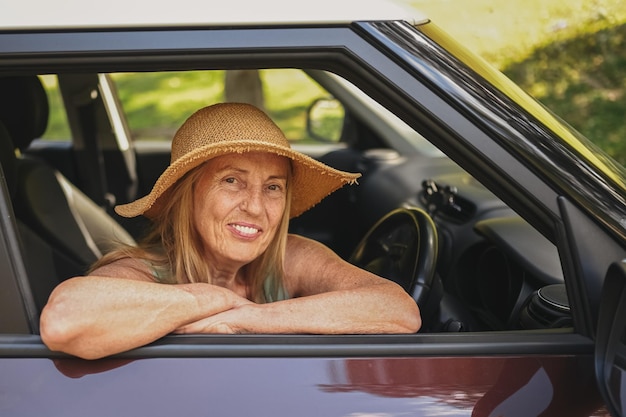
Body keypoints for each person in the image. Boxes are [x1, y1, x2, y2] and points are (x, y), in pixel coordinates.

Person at [40, 102, 421, 360]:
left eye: (273, 187)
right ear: (187, 197)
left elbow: (399, 310)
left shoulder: (290, 257)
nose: (255, 207)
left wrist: (243, 319)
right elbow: (64, 320)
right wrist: (212, 297)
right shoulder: (144, 272)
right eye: (232, 181)